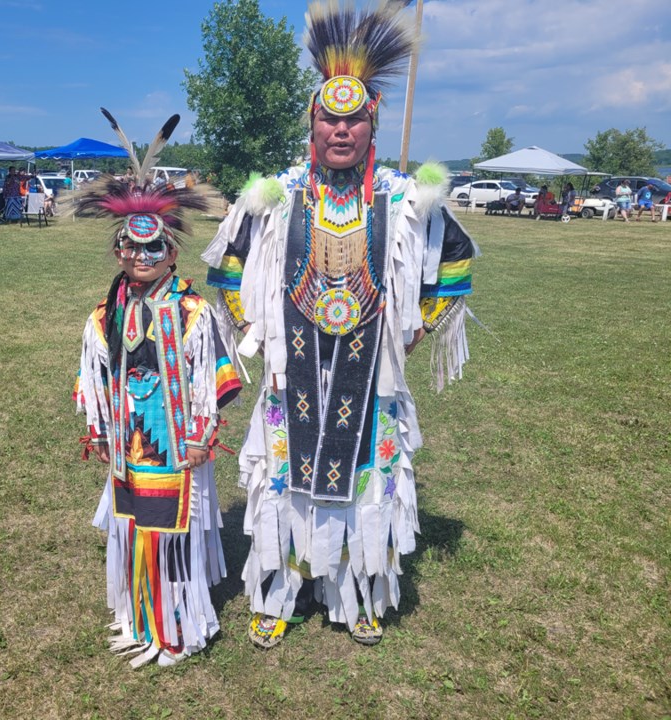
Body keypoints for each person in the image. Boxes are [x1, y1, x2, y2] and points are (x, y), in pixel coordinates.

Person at [202, 0, 477, 649]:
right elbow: (226, 266)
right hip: (292, 379)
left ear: (370, 123)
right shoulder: (277, 197)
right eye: (332, 117)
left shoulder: (403, 200)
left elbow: (455, 263)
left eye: (355, 119)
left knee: (362, 488)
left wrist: (418, 325)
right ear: (314, 123)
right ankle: (280, 593)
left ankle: (353, 593)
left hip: (368, 384)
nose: (343, 130)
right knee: (285, 489)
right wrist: (256, 327)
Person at [74, 109, 242, 668]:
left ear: (172, 252)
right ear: (117, 248)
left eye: (151, 250)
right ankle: (138, 619)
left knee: (169, 534)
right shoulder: (109, 310)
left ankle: (175, 627)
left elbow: (213, 376)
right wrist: (97, 428)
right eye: (128, 247)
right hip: (128, 446)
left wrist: (200, 434)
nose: (138, 257)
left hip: (177, 448)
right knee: (132, 529)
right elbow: (95, 375)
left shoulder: (193, 312)